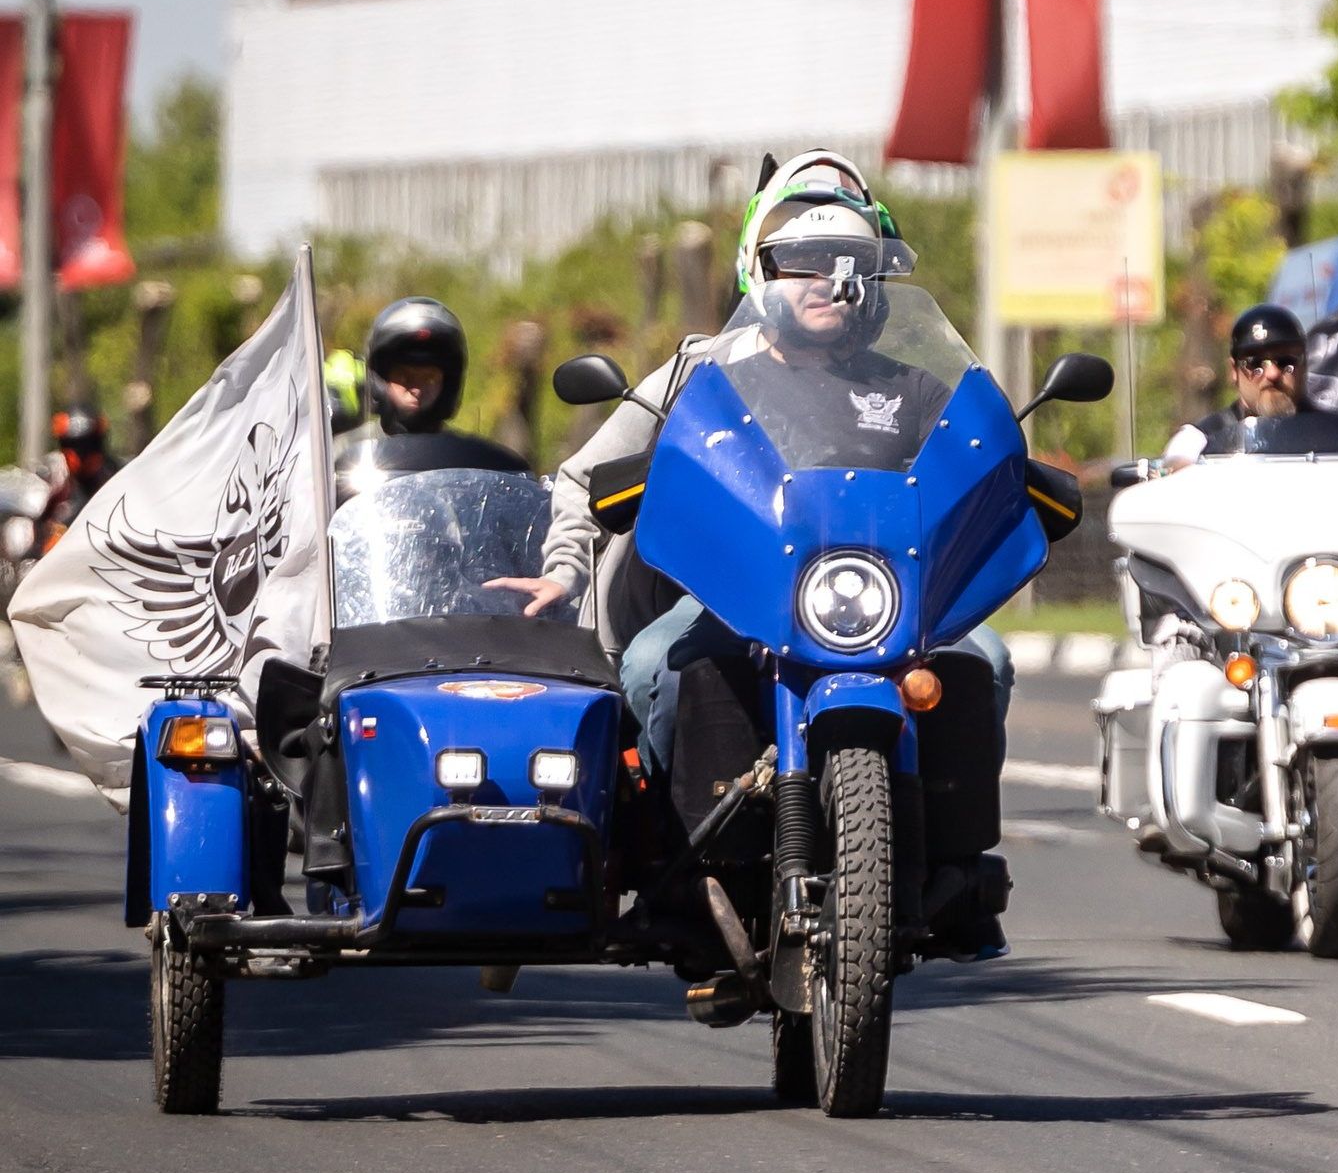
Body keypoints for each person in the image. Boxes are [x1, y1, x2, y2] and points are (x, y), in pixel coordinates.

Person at [485, 172, 1015, 959]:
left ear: (873, 281)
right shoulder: (708, 376)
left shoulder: (910, 386)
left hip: (881, 595)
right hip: (735, 596)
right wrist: (566, 571)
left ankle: (952, 864)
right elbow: (585, 478)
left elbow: (971, 463)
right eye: (800, 259)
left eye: (844, 259)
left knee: (990, 660)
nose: (825, 278)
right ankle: (676, 856)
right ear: (759, 270)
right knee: (652, 665)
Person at [1163, 305, 1306, 467]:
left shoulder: (1335, 434)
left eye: (1286, 361)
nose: (1272, 373)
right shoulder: (1197, 442)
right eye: (1255, 363)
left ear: (1305, 364)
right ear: (1234, 370)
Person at [342, 298, 469, 441]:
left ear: (448, 386)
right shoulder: (349, 452)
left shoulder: (468, 457)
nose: (416, 391)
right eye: (403, 377)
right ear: (379, 380)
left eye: (430, 379)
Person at [40, 403, 120, 546]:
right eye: (73, 444)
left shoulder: (116, 476)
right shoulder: (53, 477)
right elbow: (35, 524)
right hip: (60, 558)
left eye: (89, 444)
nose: (81, 453)